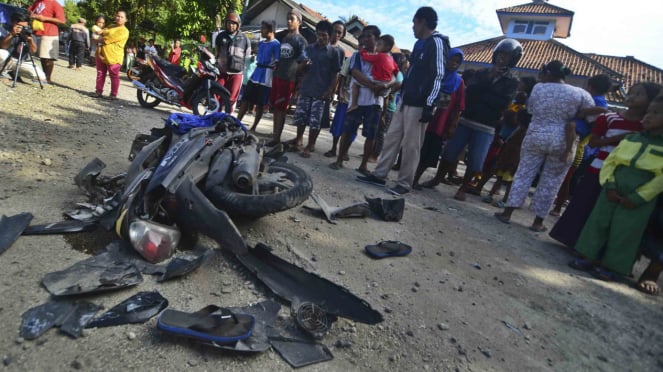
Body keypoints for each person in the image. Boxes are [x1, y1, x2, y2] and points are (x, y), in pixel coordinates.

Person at [549, 82, 662, 248]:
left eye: (639, 94)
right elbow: (594, 143)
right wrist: (619, 139)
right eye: (630, 92)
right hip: (598, 168)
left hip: (623, 176)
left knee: (603, 213)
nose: (631, 96)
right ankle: (570, 240)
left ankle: (590, 248)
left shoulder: (647, 127)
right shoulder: (609, 118)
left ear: (651, 100)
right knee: (584, 205)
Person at [570, 93, 663, 284]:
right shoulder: (631, 138)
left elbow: (660, 179)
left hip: (639, 195)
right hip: (613, 187)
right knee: (598, 222)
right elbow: (611, 161)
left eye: (656, 113)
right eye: (648, 111)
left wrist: (639, 197)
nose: (648, 116)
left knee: (626, 231)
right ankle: (587, 256)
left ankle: (611, 267)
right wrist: (610, 184)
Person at [355, 8, 449, 196]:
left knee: (412, 144)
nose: (413, 27)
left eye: (414, 23)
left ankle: (405, 183)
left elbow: (438, 75)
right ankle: (380, 175)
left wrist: (430, 104)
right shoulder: (421, 44)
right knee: (392, 138)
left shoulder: (437, 43)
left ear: (422, 22)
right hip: (406, 99)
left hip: (420, 103)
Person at [494, 60, 595, 232]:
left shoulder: (538, 88)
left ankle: (507, 213)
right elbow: (591, 118)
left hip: (536, 135)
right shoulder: (581, 94)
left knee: (523, 174)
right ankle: (538, 222)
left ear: (547, 73)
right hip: (562, 140)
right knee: (552, 181)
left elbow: (531, 110)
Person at [419, 39, 521, 201]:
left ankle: (463, 188)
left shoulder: (513, 81)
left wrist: (484, 93)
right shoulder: (481, 73)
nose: (502, 59)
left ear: (513, 59)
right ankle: (437, 179)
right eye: (501, 55)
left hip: (487, 125)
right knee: (450, 152)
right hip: (466, 119)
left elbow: (502, 103)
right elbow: (470, 93)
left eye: (507, 56)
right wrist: (490, 82)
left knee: (476, 159)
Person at [329, 25, 394, 173]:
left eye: (369, 36)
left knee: (371, 134)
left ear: (377, 39)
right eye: (363, 37)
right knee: (348, 129)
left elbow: (394, 78)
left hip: (375, 101)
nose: (365, 39)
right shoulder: (358, 56)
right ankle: (339, 159)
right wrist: (374, 86)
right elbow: (356, 74)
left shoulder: (386, 58)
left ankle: (363, 165)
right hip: (357, 100)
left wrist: (384, 87)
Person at [549, 74, 612, 216]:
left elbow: (603, 111)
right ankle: (555, 203)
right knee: (562, 178)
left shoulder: (597, 101)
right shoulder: (592, 99)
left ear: (590, 86)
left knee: (565, 179)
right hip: (575, 142)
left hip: (576, 147)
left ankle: (558, 207)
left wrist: (585, 111)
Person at [472, 76, 537, 201]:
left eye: (522, 83)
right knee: (497, 165)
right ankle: (485, 188)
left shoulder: (527, 103)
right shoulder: (519, 101)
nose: (519, 85)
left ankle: (490, 191)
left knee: (504, 167)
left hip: (512, 139)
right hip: (506, 136)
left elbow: (518, 121)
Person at [413, 48, 465, 188]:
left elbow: (458, 107)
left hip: (440, 125)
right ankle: (408, 176)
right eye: (451, 59)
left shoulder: (458, 83)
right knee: (416, 148)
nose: (453, 63)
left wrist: (453, 125)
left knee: (429, 153)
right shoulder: (435, 75)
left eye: (457, 62)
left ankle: (415, 178)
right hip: (424, 119)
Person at [291, 20, 342, 158]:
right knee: (301, 117)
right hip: (306, 88)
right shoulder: (309, 49)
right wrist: (304, 66)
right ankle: (299, 140)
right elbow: (299, 68)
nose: (321, 38)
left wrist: (330, 90)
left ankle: (310, 145)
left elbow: (335, 73)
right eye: (319, 35)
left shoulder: (333, 52)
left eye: (324, 35)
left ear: (330, 36)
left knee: (315, 121)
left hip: (321, 92)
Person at [268, 8, 308, 146]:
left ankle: (276, 138)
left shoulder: (301, 41)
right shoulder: (285, 37)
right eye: (288, 18)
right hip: (278, 76)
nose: (289, 21)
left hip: (288, 79)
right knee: (275, 108)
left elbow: (304, 62)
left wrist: (296, 79)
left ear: (299, 22)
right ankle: (275, 135)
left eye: (292, 19)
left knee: (281, 108)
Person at [236, 20, 280, 132]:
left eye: (264, 28)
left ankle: (254, 127)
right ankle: (237, 122)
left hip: (266, 76)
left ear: (271, 30)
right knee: (246, 98)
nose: (261, 31)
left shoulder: (276, 45)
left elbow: (277, 62)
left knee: (260, 103)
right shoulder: (261, 43)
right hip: (256, 73)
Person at [347, 34, 398, 112]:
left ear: (387, 47)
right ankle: (376, 91)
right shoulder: (391, 59)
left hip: (376, 79)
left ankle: (354, 104)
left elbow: (366, 57)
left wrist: (362, 52)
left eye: (379, 44)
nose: (377, 46)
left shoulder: (379, 56)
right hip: (385, 84)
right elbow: (396, 71)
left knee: (355, 84)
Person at [215, 12, 251, 113]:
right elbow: (217, 52)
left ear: (238, 25)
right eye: (229, 23)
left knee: (231, 99)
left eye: (233, 23)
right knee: (217, 96)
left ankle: (227, 119)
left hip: (237, 74)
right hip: (222, 72)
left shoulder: (244, 39)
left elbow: (247, 55)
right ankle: (215, 117)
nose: (231, 25)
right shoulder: (220, 36)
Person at [0, 10, 46, 83]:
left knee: (41, 76)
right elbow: (3, 46)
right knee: (1, 53)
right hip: (6, 59)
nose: (21, 28)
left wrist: (30, 40)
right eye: (18, 25)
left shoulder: (28, 32)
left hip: (20, 61)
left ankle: (14, 72)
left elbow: (33, 51)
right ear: (13, 22)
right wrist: (11, 34)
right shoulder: (4, 29)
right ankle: (3, 72)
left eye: (24, 27)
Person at [92, 10, 129, 100]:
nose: (119, 18)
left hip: (114, 57)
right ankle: (98, 91)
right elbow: (102, 31)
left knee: (114, 75)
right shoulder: (111, 26)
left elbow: (108, 38)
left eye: (121, 17)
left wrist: (99, 38)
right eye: (117, 16)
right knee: (100, 73)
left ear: (126, 20)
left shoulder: (124, 31)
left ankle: (113, 94)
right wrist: (99, 34)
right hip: (101, 53)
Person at [28, 0, 65, 83]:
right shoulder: (37, 2)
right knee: (42, 56)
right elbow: (30, 10)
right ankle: (43, 76)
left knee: (48, 57)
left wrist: (45, 18)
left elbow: (62, 20)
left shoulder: (55, 4)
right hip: (37, 31)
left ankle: (47, 78)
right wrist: (31, 14)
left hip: (50, 33)